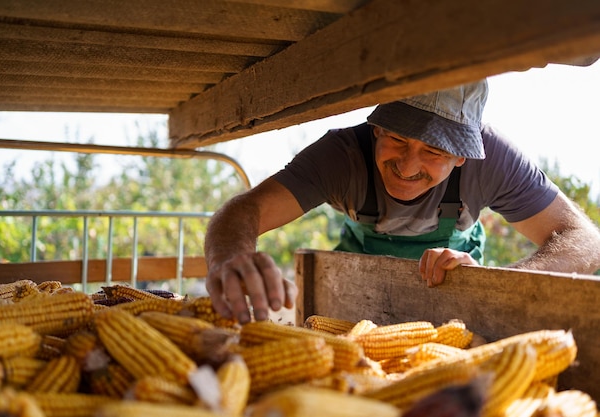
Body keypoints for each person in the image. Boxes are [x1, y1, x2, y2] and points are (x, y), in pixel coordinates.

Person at [204, 79, 600, 324]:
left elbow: (586, 240)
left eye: (434, 150)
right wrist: (231, 257)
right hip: (352, 301)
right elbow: (244, 210)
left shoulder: (494, 160)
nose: (408, 165)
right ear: (376, 128)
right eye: (397, 138)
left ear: (462, 154)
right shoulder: (340, 156)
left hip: (453, 309)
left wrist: (501, 283)